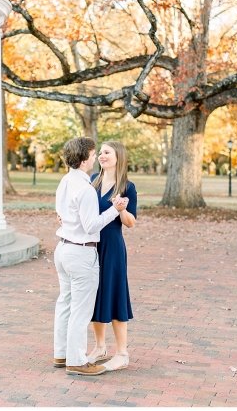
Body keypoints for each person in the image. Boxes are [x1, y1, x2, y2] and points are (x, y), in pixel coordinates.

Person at [53, 137, 129, 376]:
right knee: (80, 310)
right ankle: (76, 361)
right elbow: (91, 225)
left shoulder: (65, 181)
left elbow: (63, 213)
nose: (97, 157)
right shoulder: (86, 189)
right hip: (80, 252)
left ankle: (61, 354)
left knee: (65, 303)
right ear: (85, 159)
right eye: (95, 154)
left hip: (63, 248)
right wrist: (113, 211)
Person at [86, 141, 137, 371]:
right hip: (90, 245)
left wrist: (121, 208)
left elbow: (131, 223)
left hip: (113, 246)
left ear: (119, 156)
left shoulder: (127, 187)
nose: (101, 156)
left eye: (107, 152)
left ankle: (122, 353)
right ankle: (99, 347)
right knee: (94, 293)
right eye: (101, 153)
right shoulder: (93, 181)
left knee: (115, 294)